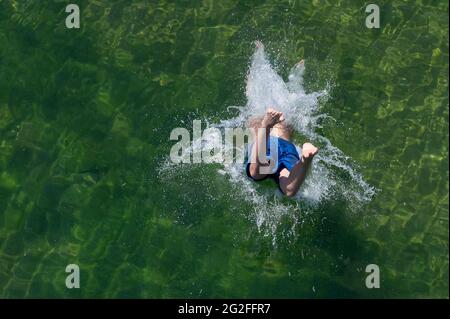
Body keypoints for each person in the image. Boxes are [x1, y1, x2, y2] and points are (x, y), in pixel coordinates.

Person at [246, 107, 318, 197]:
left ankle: (265, 126)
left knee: (256, 172)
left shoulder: (256, 118)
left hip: (271, 144)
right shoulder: (282, 122)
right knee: (289, 191)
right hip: (285, 148)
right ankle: (305, 160)